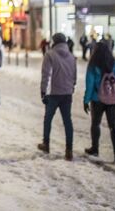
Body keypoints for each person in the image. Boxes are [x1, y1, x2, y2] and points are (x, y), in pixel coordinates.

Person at [37, 33, 76, 161]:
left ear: (54, 42)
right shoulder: (71, 56)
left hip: (53, 94)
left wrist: (43, 92)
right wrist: (71, 87)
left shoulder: (49, 54)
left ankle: (46, 144)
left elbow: (46, 75)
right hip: (67, 93)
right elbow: (74, 76)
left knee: (48, 119)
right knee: (67, 121)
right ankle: (69, 150)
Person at [83, 42, 115, 164]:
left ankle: (95, 148)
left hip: (97, 99)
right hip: (113, 100)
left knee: (96, 124)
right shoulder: (114, 63)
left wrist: (86, 100)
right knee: (113, 127)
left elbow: (90, 83)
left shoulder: (93, 65)